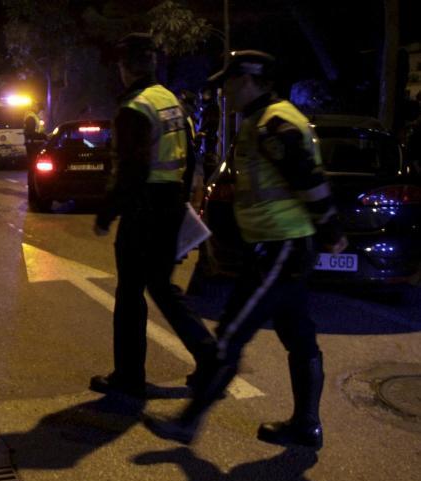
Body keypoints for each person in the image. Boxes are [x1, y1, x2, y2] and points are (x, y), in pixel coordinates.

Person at [146, 50, 347, 449]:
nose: (225, 91)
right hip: (280, 246)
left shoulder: (274, 124)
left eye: (230, 82)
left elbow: (308, 178)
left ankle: (188, 423)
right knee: (298, 334)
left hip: (281, 248)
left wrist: (330, 229)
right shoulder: (262, 120)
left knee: (232, 333)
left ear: (251, 80)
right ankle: (306, 426)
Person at [90, 33, 216, 399]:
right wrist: (183, 203)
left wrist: (107, 213)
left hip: (143, 209)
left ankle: (129, 377)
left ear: (124, 67)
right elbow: (190, 155)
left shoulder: (135, 108)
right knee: (161, 286)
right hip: (170, 204)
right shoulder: (170, 101)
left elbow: (131, 170)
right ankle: (211, 358)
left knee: (130, 293)